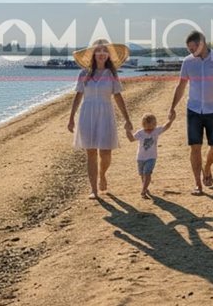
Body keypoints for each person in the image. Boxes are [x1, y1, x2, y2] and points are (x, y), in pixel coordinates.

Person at [168, 30, 213, 195]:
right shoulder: (188, 62)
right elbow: (181, 86)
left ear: (202, 43)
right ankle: (198, 184)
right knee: (195, 148)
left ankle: (207, 166)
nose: (191, 52)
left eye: (193, 48)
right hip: (194, 110)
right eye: (189, 49)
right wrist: (172, 107)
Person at [67, 39, 134, 199]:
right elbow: (78, 96)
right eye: (99, 51)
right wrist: (71, 118)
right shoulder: (84, 73)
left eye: (105, 51)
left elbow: (117, 96)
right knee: (91, 152)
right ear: (94, 54)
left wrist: (127, 119)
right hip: (87, 113)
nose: (102, 54)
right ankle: (94, 190)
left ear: (108, 55)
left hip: (106, 113)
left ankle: (102, 174)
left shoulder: (111, 74)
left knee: (105, 153)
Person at [125, 112, 175, 199]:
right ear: (143, 125)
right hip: (140, 158)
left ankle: (143, 190)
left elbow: (165, 127)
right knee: (142, 175)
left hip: (151, 157)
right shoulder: (140, 133)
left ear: (155, 124)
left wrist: (170, 120)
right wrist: (127, 130)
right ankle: (145, 187)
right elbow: (131, 139)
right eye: (147, 126)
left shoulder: (156, 131)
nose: (150, 128)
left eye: (152, 125)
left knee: (147, 173)